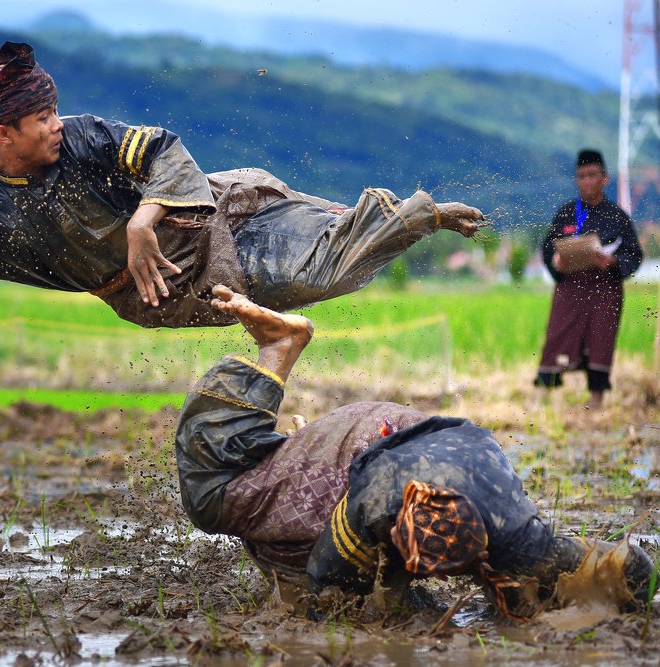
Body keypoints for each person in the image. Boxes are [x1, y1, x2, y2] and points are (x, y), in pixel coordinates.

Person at [0, 41, 484, 412]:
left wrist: (145, 215)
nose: (54, 125)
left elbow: (164, 148)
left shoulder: (83, 137)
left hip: (213, 208)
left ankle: (407, 216)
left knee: (318, 252)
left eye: (55, 112)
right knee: (318, 276)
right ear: (4, 133)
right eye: (40, 119)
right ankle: (404, 216)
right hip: (170, 290)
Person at [175, 284, 655, 619]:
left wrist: (630, 582)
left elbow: (612, 567)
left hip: (409, 439)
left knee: (526, 573)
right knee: (214, 497)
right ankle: (279, 348)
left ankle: (287, 452)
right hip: (365, 444)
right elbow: (330, 597)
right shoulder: (377, 500)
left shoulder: (514, 535)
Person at [534, 149, 643, 410]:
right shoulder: (566, 213)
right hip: (570, 288)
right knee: (557, 337)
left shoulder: (618, 217)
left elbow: (634, 255)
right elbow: (548, 247)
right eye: (581, 176)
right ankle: (540, 399)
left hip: (605, 290)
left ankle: (596, 403)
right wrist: (556, 261)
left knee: (601, 341)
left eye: (592, 175)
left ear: (604, 178)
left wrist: (614, 262)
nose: (586, 181)